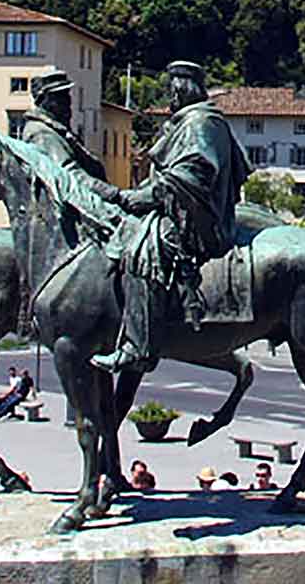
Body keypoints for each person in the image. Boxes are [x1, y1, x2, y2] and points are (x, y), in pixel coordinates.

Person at [91, 61, 245, 376]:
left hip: (201, 219)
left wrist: (137, 197)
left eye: (172, 90)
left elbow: (190, 177)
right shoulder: (187, 122)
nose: (169, 97)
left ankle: (138, 347)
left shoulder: (201, 123)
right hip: (181, 209)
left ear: (184, 89)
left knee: (142, 249)